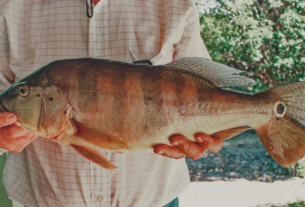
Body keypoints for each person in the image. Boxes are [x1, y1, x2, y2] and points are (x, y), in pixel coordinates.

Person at [0, 0, 222, 206]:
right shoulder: (10, 7)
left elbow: (208, 93)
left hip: (155, 200)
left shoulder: (175, 5)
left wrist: (210, 134)